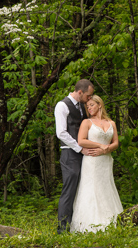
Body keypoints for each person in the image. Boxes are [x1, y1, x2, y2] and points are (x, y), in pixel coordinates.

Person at [70, 95, 123, 233]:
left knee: (107, 186)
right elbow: (81, 141)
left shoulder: (111, 123)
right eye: (87, 106)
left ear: (99, 105)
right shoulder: (86, 122)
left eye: (92, 105)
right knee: (92, 188)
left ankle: (112, 220)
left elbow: (116, 143)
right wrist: (100, 146)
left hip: (105, 160)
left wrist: (106, 150)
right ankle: (90, 224)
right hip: (92, 161)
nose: (89, 108)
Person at [54, 79, 97, 234]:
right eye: (88, 95)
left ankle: (77, 226)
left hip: (82, 154)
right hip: (70, 154)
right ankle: (62, 229)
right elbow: (61, 133)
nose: (90, 98)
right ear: (80, 92)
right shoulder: (62, 106)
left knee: (82, 189)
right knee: (69, 190)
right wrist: (79, 148)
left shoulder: (81, 106)